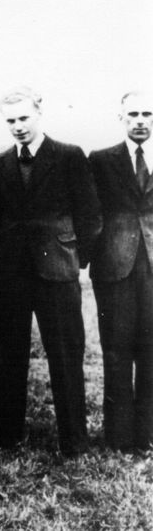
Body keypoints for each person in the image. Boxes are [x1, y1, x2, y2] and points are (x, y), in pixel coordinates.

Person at [0, 87, 102, 456]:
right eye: (11, 120)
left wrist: (75, 259)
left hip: (57, 270)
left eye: (24, 118)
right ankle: (8, 435)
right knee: (11, 354)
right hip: (13, 273)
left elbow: (90, 215)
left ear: (38, 113)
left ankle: (74, 440)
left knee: (66, 354)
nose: (18, 126)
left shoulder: (68, 155)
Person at [89, 90, 153, 451]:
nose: (140, 120)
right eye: (133, 114)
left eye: (147, 113)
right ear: (122, 118)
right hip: (114, 266)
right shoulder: (101, 159)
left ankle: (148, 434)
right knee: (116, 348)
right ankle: (119, 437)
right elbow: (90, 211)